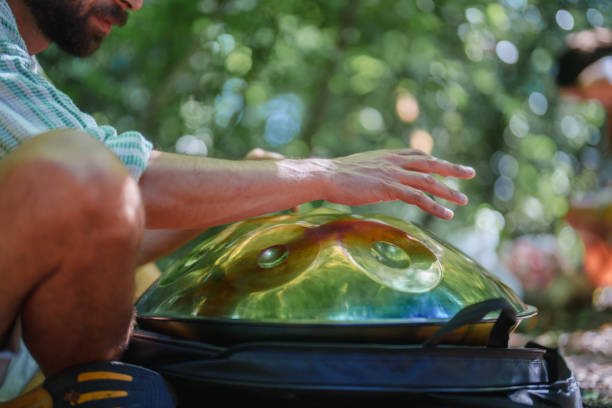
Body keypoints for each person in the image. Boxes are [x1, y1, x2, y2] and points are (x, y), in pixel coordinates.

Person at [0, 0, 476, 404]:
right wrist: (324, 176)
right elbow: (101, 177)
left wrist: (253, 196)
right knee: (78, 164)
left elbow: (100, 226)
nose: (136, 2)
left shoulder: (24, 67)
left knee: (136, 274)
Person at [555, 27, 612, 308]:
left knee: (584, 213)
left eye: (585, 95)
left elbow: (603, 74)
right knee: (582, 215)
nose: (592, 100)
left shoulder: (601, 73)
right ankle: (604, 288)